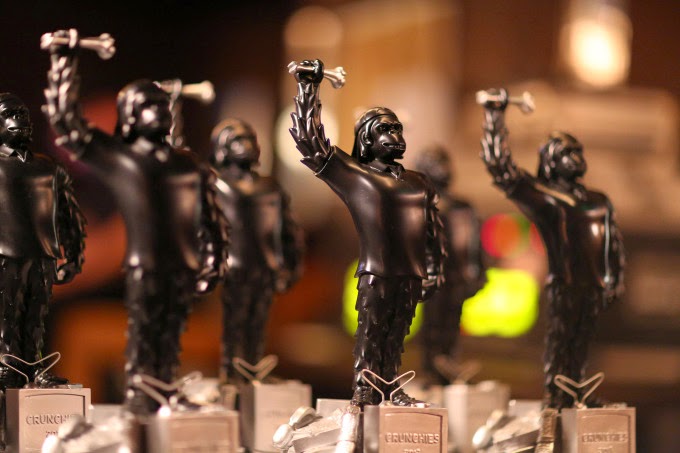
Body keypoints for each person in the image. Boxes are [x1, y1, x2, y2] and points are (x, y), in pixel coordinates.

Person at [43, 30, 229, 414]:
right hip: (139, 290)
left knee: (82, 331)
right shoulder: (95, 181)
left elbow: (112, 248)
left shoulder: (164, 169)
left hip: (179, 299)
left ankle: (91, 420)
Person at [289, 59, 445, 407]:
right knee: (372, 332)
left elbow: (432, 230)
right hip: (377, 272)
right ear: (366, 138)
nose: (396, 137)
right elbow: (311, 144)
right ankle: (365, 386)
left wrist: (435, 268)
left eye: (398, 130)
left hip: (411, 274)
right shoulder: (357, 177)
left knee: (397, 335)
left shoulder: (419, 183)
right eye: (386, 130)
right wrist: (308, 88)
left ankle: (389, 385)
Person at [478, 88, 624, 409]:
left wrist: (614, 278)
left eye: (577, 151)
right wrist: (494, 117)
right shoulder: (547, 199)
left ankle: (574, 389)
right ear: (552, 161)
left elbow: (612, 245)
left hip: (592, 286)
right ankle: (558, 395)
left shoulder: (599, 201)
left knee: (581, 343)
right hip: (564, 286)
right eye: (567, 153)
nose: (576, 158)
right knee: (561, 342)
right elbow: (502, 169)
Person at [0, 93, 85, 389]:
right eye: (10, 114)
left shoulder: (49, 167)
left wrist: (74, 254)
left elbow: (69, 213)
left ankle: (34, 368)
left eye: (22, 115)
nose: (19, 121)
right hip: (5, 255)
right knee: (7, 318)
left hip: (43, 254)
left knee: (35, 318)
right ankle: (7, 370)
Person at [210, 118, 303, 381]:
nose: (246, 146)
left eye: (250, 139)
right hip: (234, 267)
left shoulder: (271, 188)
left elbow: (288, 229)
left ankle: (253, 370)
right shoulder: (217, 186)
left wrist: (291, 264)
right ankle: (232, 371)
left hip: (265, 266)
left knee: (258, 323)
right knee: (235, 323)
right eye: (238, 140)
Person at [415, 145, 484, 385]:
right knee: (432, 323)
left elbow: (474, 243)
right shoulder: (416, 205)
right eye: (436, 164)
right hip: (430, 276)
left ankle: (448, 364)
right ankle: (432, 368)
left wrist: (477, 271)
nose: (443, 170)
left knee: (452, 322)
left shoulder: (462, 207)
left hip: (455, 275)